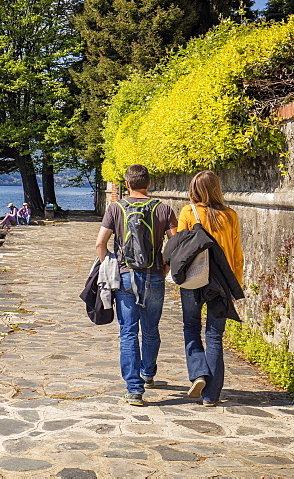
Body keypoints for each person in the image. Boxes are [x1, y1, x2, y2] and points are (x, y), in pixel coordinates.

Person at [95, 164, 177, 406]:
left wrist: (109, 265)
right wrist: (166, 268)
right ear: (149, 183)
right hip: (154, 276)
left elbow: (100, 244)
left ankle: (134, 389)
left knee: (128, 331)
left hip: (126, 276)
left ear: (126, 184)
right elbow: (175, 245)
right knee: (151, 329)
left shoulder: (115, 208)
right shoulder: (164, 209)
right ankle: (148, 374)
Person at [176, 170, 244, 406]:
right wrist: (236, 287)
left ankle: (198, 374)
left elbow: (180, 249)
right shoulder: (230, 216)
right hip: (221, 283)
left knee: (191, 327)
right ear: (217, 189)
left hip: (194, 279)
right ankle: (211, 396)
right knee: (215, 336)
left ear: (194, 189)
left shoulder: (188, 212)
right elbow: (236, 255)